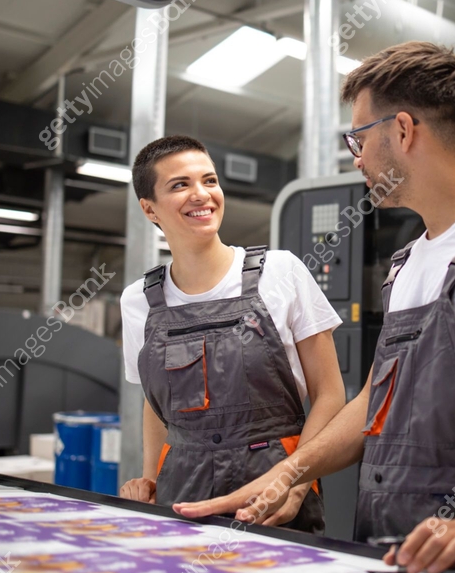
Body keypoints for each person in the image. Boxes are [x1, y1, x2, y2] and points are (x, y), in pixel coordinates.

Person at [173, 42, 455, 573]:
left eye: (359, 137)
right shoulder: (408, 262)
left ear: (402, 130)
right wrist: (291, 471)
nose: (356, 158)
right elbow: (375, 398)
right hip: (389, 542)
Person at [117, 135, 346, 534]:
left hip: (272, 488)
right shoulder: (138, 301)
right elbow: (156, 408)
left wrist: (296, 483)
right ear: (149, 208)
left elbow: (330, 393)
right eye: (180, 185)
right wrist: (150, 478)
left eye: (209, 180)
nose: (201, 194)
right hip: (182, 490)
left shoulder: (281, 272)